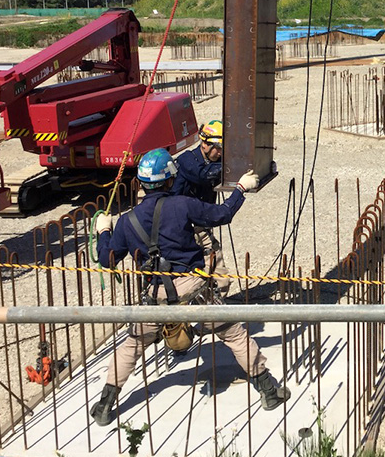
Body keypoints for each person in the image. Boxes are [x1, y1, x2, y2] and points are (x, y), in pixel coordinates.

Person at [90, 148, 290, 426]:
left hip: (156, 296)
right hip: (195, 291)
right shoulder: (182, 205)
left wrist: (103, 231)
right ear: (170, 180)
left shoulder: (127, 221)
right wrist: (241, 189)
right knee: (234, 335)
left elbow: (106, 259)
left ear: (142, 184)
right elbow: (222, 214)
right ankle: (269, 392)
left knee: (133, 345)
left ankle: (104, 406)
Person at [171, 120, 232, 296]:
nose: (220, 152)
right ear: (204, 143)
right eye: (217, 147)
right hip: (182, 225)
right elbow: (204, 176)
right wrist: (233, 167)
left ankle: (215, 305)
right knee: (192, 270)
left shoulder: (216, 160)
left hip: (199, 222)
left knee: (216, 270)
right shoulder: (187, 160)